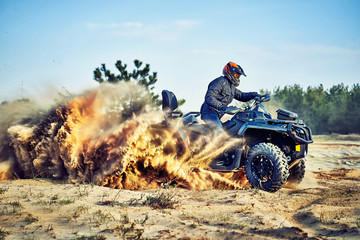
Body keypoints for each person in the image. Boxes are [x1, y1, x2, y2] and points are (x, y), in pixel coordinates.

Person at [200, 61, 260, 135]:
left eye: (239, 76)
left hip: (217, 114)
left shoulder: (231, 87)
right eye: (236, 75)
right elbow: (209, 97)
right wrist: (222, 107)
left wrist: (255, 95)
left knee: (228, 131)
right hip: (209, 112)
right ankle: (212, 147)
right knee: (220, 132)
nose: (237, 78)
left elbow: (242, 96)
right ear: (229, 72)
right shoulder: (220, 81)